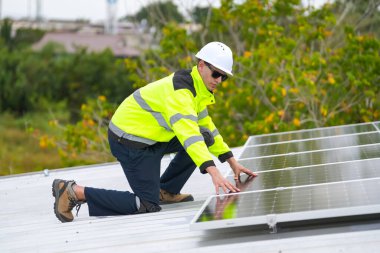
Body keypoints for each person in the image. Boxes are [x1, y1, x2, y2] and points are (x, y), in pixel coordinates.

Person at [52, 41, 257, 223]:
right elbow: (189, 136)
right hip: (129, 140)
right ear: (201, 65)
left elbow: (206, 129)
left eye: (224, 77)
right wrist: (214, 172)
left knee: (204, 135)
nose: (219, 80)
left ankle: (166, 190)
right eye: (216, 74)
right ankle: (73, 192)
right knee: (146, 204)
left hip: (151, 138)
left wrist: (232, 161)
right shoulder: (181, 92)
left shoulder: (199, 89)